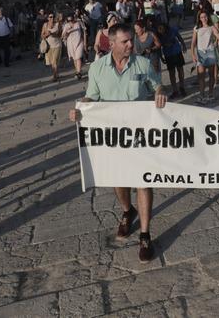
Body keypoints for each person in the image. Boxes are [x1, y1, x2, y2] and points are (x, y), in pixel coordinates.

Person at [68, 23, 168, 263]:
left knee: (144, 182)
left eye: (131, 40)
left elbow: (158, 85)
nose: (130, 45)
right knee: (118, 181)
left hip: (140, 135)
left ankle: (145, 234)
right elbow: (92, 95)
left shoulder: (143, 64)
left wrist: (160, 93)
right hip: (112, 137)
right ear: (111, 44)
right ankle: (127, 210)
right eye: (125, 41)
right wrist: (80, 108)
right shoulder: (98, 69)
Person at [191, 10, 219, 104]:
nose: (204, 18)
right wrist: (193, 54)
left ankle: (211, 94)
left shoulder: (211, 27)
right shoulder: (196, 28)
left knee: (211, 75)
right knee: (201, 76)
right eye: (202, 17)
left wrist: (217, 40)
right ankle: (201, 94)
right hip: (200, 53)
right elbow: (193, 43)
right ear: (199, 19)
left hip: (210, 52)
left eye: (205, 16)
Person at [155, 20, 187, 99]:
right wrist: (161, 57)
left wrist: (183, 45)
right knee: (172, 73)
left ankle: (182, 87)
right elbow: (158, 46)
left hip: (177, 52)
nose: (162, 32)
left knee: (180, 70)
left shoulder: (172, 30)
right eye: (160, 31)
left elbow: (179, 37)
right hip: (168, 55)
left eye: (162, 31)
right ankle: (175, 90)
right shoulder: (158, 35)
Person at [64, 13, 87, 80]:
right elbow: (63, 36)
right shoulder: (66, 25)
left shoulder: (79, 23)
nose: (70, 21)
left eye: (71, 20)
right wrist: (67, 32)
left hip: (79, 42)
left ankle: (79, 72)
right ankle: (77, 71)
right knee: (75, 59)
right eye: (69, 20)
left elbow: (84, 32)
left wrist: (85, 42)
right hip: (71, 44)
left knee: (78, 57)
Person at [42, 13, 64, 83]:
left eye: (53, 17)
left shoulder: (58, 24)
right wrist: (46, 35)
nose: (52, 18)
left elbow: (60, 34)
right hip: (48, 46)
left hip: (57, 45)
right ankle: (56, 74)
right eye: (50, 17)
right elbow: (42, 35)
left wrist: (51, 34)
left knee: (54, 61)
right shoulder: (45, 25)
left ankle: (54, 76)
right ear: (48, 18)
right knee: (52, 62)